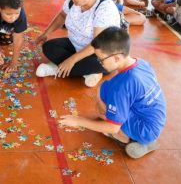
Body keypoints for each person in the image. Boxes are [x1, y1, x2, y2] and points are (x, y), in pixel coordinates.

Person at [59, 26, 166, 159]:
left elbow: (112, 127)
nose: (99, 63)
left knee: (105, 114)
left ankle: (128, 138)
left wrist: (79, 121)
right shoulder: (141, 63)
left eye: (100, 59)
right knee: (104, 87)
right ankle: (136, 136)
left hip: (145, 130)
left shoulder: (121, 86)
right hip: (155, 120)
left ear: (116, 58)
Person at [35, 0, 120, 87]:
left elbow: (97, 44)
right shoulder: (73, 0)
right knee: (48, 47)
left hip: (101, 54)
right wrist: (45, 33)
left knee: (99, 63)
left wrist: (71, 60)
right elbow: (62, 16)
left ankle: (57, 68)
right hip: (77, 45)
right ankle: (86, 72)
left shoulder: (104, 9)